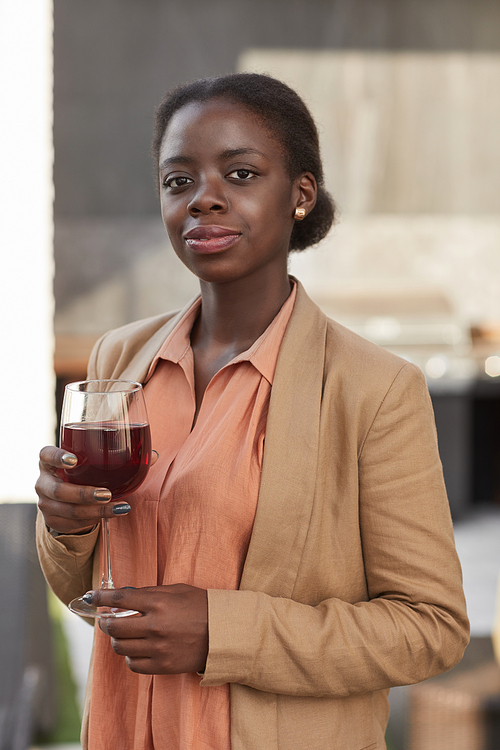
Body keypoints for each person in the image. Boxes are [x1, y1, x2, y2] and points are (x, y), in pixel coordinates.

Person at [36, 73, 469, 750]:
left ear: (300, 194)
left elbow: (429, 630)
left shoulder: (373, 389)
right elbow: (87, 594)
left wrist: (221, 631)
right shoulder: (119, 359)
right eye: (178, 181)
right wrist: (66, 527)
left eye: (238, 173)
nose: (203, 199)